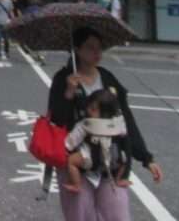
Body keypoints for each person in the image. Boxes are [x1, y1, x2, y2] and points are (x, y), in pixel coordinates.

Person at [48, 27, 164, 220]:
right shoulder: (64, 79)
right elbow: (56, 121)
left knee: (118, 214)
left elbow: (126, 120)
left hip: (111, 160)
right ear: (76, 49)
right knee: (80, 215)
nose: (97, 53)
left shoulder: (108, 78)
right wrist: (68, 93)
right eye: (90, 47)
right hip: (78, 161)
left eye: (99, 48)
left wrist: (146, 158)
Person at [63, 89, 132, 194]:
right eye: (89, 106)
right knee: (124, 160)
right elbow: (124, 134)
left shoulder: (86, 123)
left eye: (93, 109)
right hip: (115, 159)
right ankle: (119, 179)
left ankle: (76, 184)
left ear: (106, 111)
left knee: (71, 161)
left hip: (90, 158)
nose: (88, 110)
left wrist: (67, 147)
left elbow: (72, 140)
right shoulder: (118, 122)